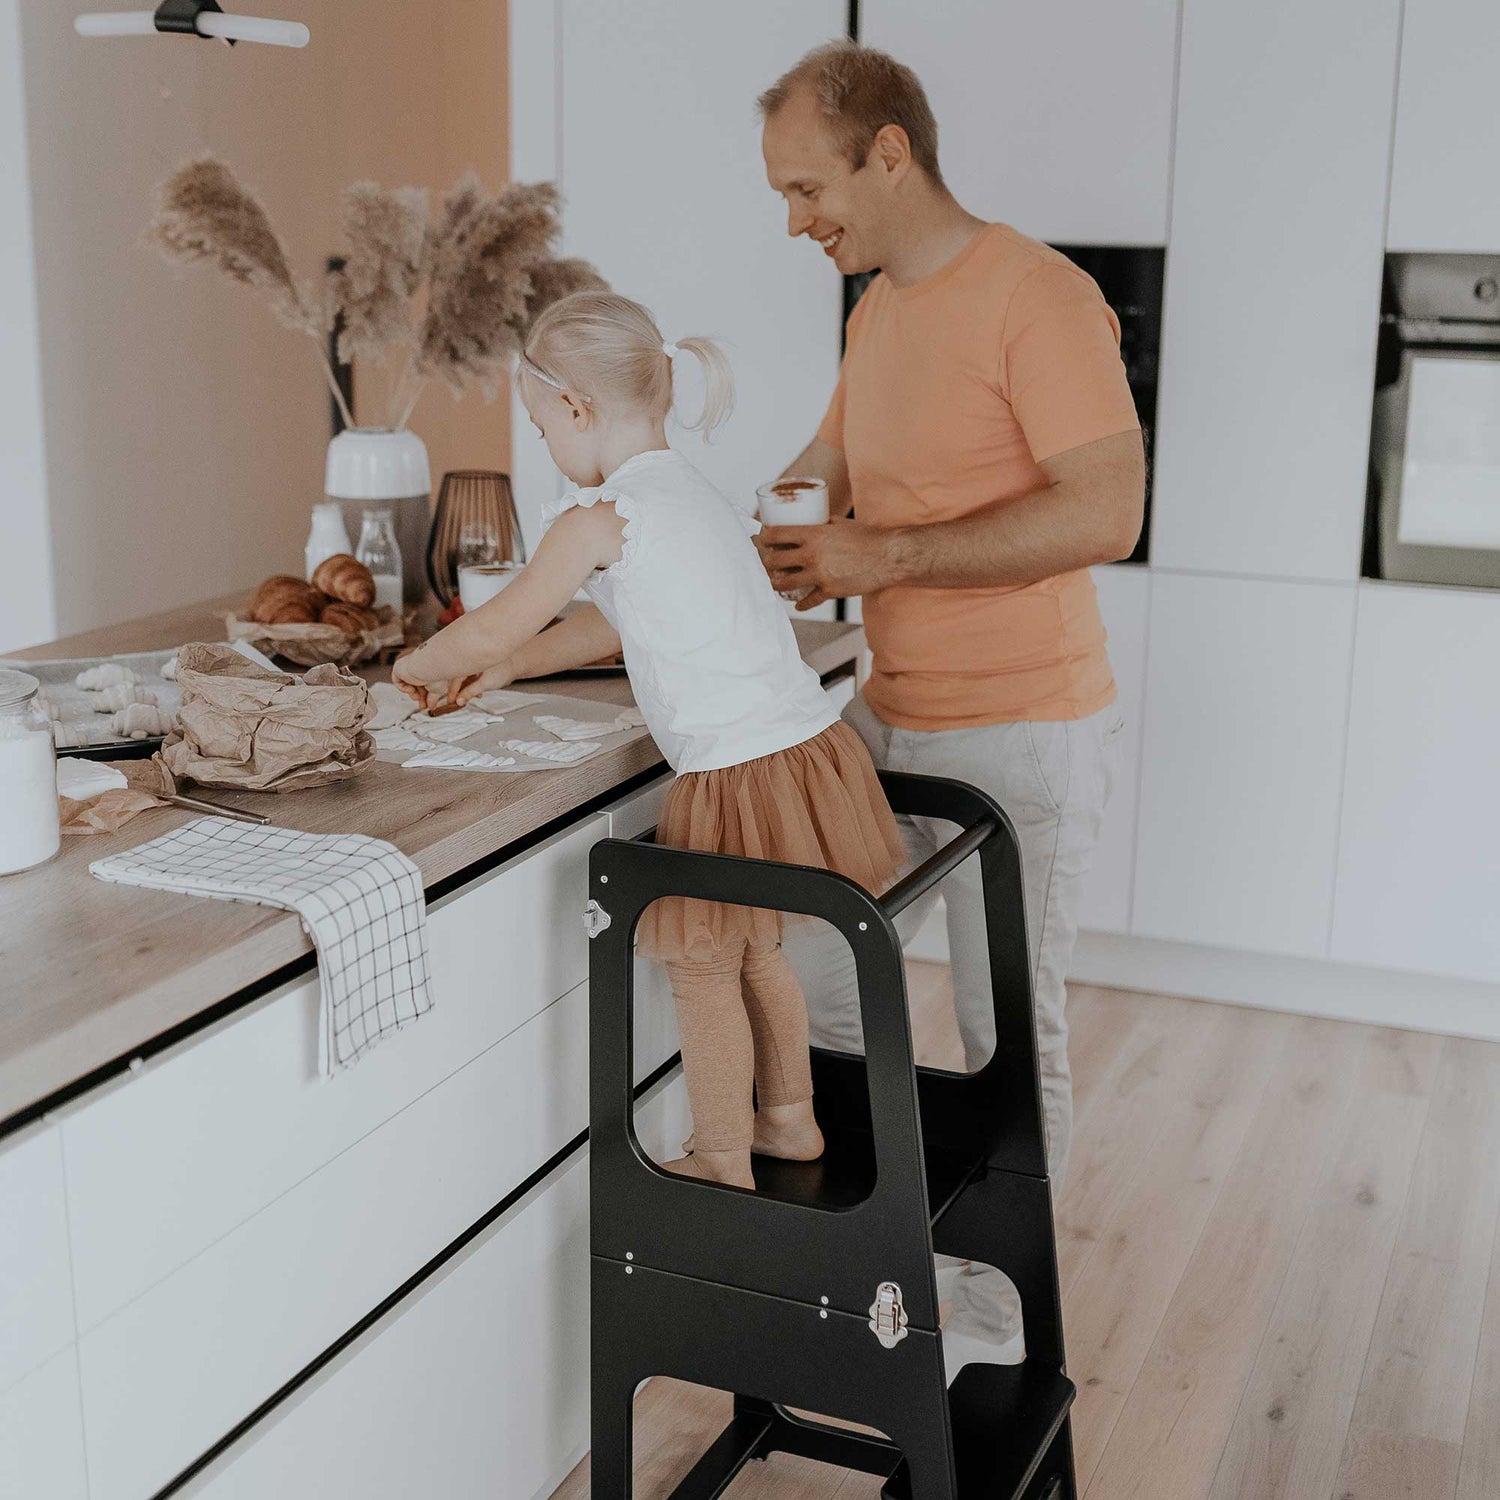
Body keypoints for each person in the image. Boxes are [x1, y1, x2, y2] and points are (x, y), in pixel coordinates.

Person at [756, 41, 1145, 1362]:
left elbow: (1109, 508)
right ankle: (866, 1248)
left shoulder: (1037, 298)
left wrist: (888, 555)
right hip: (896, 706)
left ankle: (991, 1316)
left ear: (889, 150)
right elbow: (825, 470)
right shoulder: (879, 313)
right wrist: (772, 534)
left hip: (1022, 726)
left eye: (807, 189)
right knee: (799, 944)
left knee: (1002, 1034)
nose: (797, 221)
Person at [392, 290, 905, 1192]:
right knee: (759, 948)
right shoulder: (682, 494)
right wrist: (517, 670)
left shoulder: (596, 519)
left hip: (734, 773)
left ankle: (719, 1153)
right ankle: (788, 1121)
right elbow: (618, 622)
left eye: (541, 425)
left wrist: (419, 665)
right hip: (804, 752)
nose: (547, 445)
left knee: (702, 963)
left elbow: (493, 621)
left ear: (576, 410)